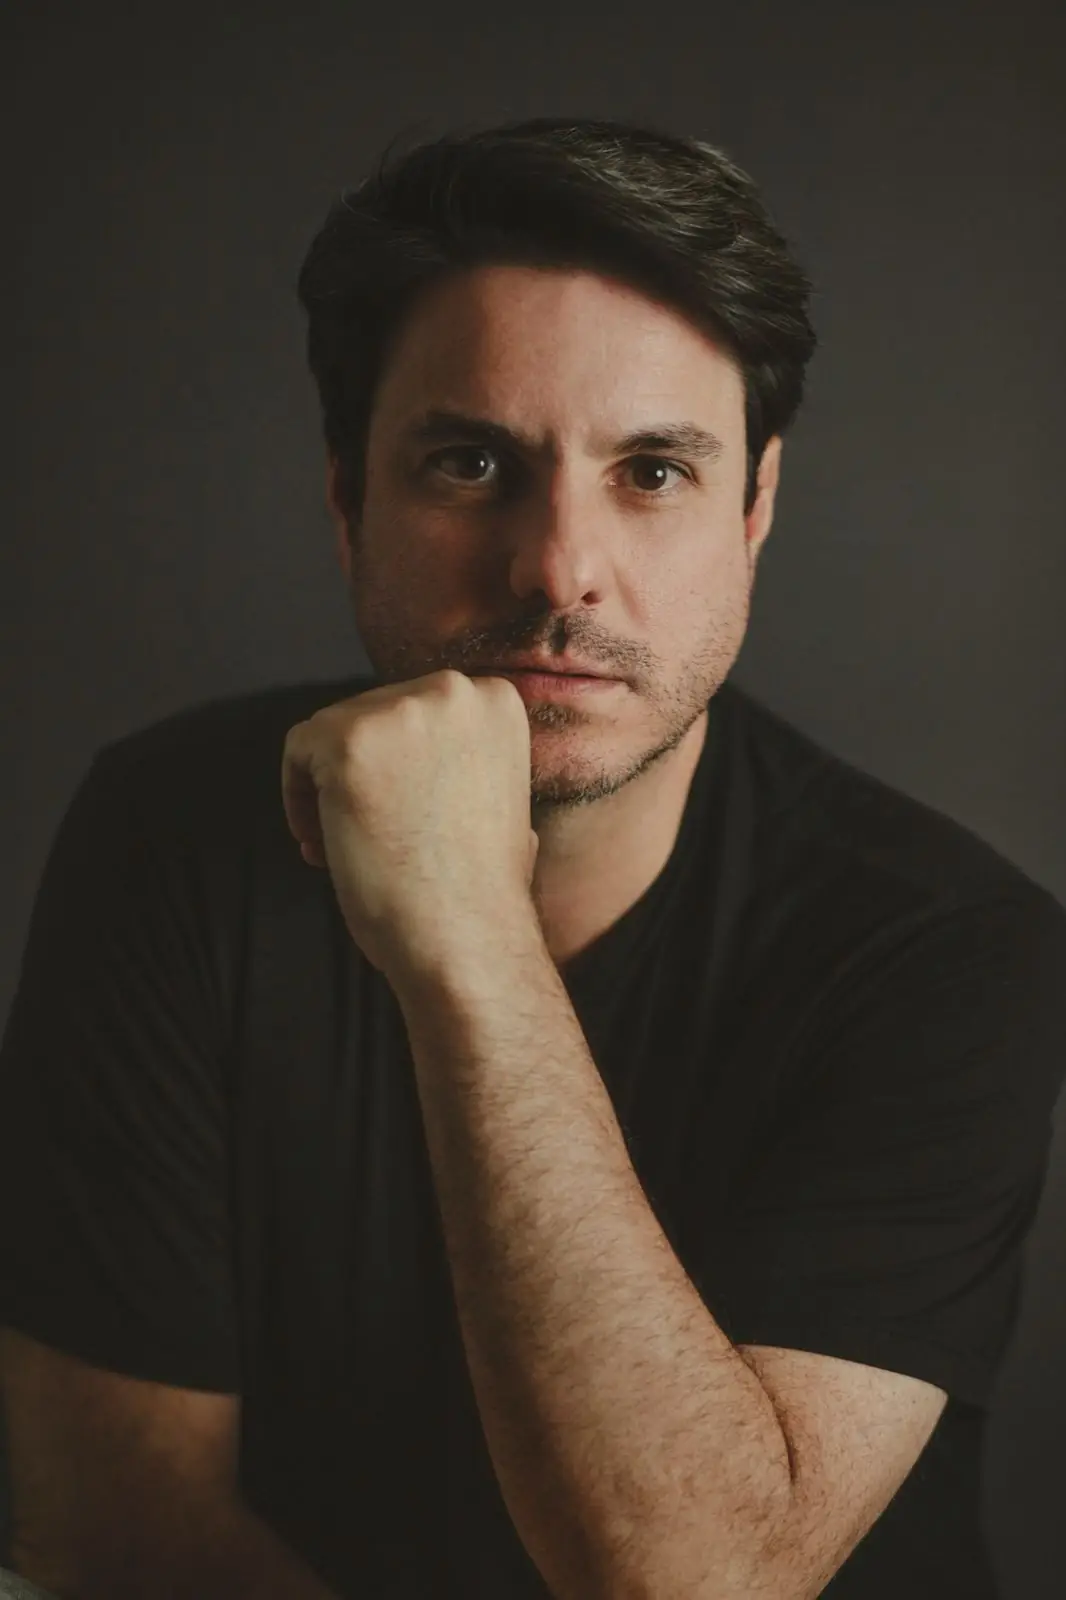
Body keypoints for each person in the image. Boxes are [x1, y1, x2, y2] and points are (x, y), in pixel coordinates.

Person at [1, 115, 1064, 1600]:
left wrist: (463, 933)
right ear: (345, 500)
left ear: (755, 510)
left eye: (653, 471)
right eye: (469, 461)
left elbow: (698, 1583)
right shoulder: (168, 833)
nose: (558, 566)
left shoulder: (946, 946)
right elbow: (118, 1529)